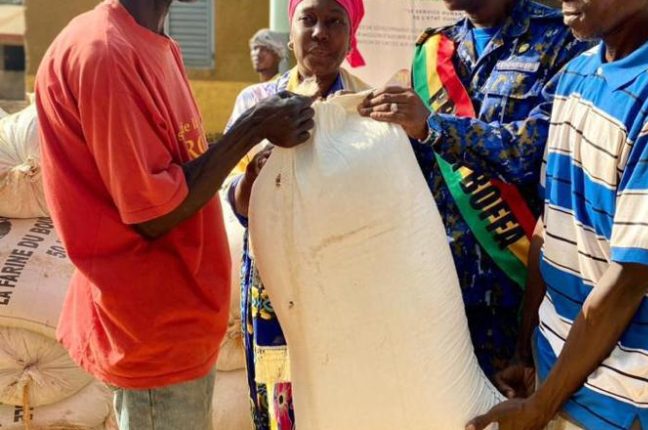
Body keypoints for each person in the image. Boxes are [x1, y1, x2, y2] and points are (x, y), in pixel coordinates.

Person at [34, 1, 314, 428]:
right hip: (152, 331)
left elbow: (178, 166)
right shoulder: (106, 53)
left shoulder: (150, 41)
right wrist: (253, 127)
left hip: (179, 323)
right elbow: (153, 213)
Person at [466, 0, 648, 429]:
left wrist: (541, 406)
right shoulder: (577, 74)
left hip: (622, 390)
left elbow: (629, 280)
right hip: (556, 360)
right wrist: (526, 351)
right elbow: (551, 224)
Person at [358, 0, 591, 393]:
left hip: (520, 294)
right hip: (437, 289)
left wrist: (433, 126)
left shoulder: (563, 40)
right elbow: (419, 170)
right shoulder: (434, 50)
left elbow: (533, 151)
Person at [223, 0, 368, 429]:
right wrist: (255, 176)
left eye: (334, 21)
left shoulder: (367, 106)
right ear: (291, 32)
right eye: (308, 19)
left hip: (346, 284)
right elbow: (234, 200)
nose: (320, 32)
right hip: (274, 286)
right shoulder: (255, 102)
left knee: (345, 399)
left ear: (351, 36)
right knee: (279, 404)